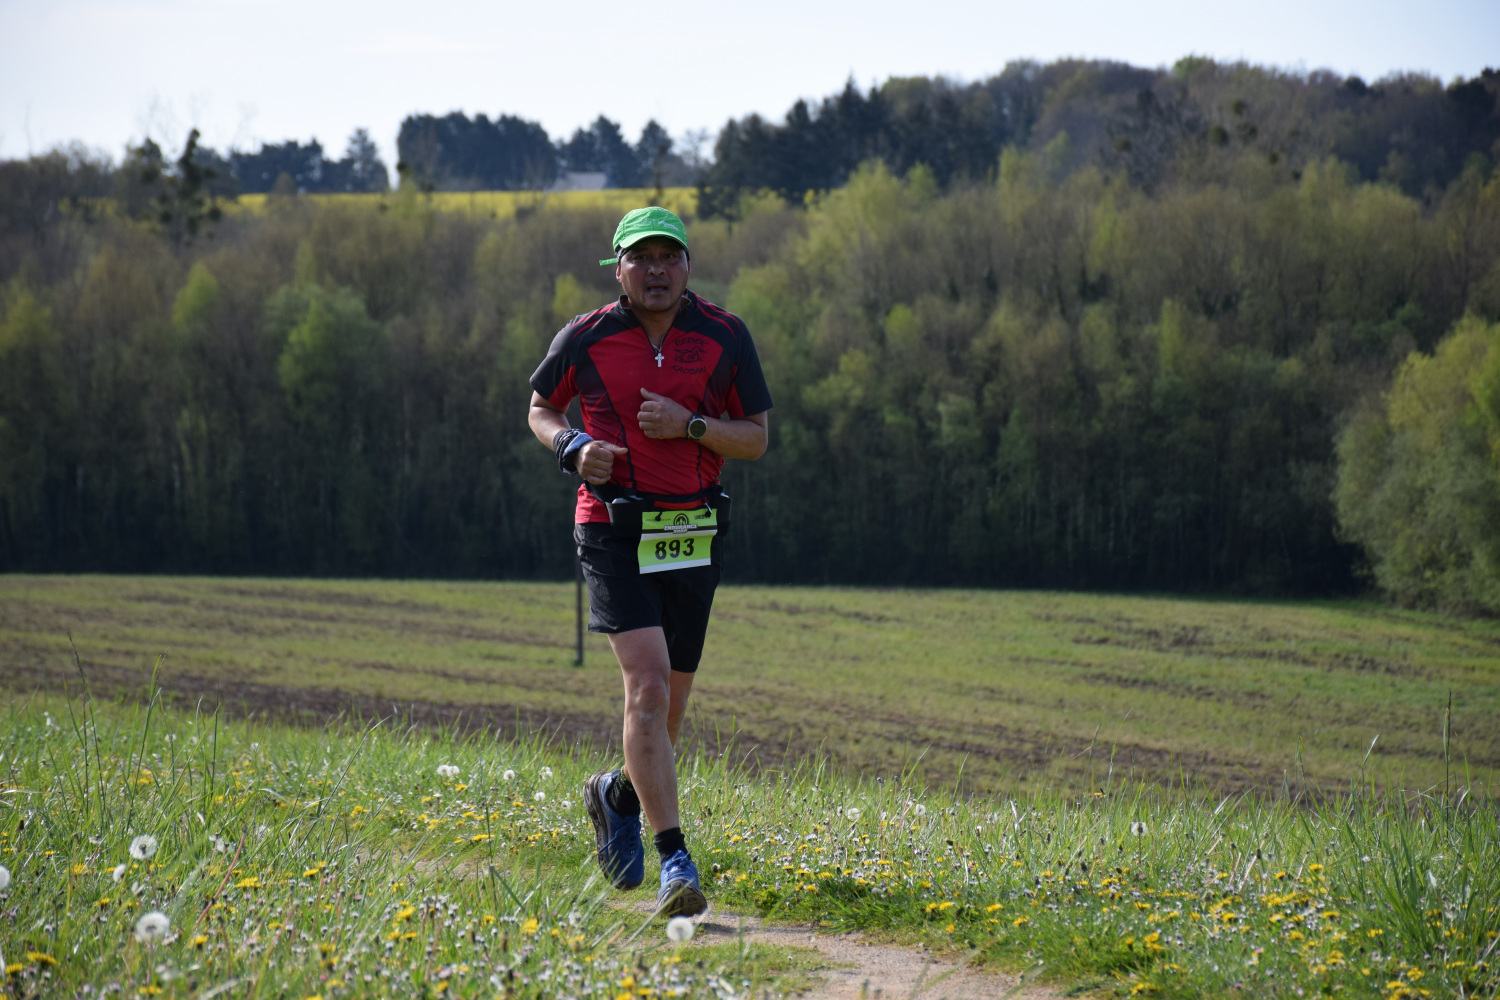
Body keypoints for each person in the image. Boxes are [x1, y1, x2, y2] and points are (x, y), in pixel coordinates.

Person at [527, 207, 772, 916]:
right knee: (649, 688)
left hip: (693, 531)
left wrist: (691, 425)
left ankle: (616, 794)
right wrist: (573, 447)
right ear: (619, 269)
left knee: (669, 714)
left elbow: (755, 438)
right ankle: (676, 862)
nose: (656, 270)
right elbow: (541, 408)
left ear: (688, 265)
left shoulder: (725, 335)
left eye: (669, 256)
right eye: (641, 258)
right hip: (612, 528)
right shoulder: (585, 335)